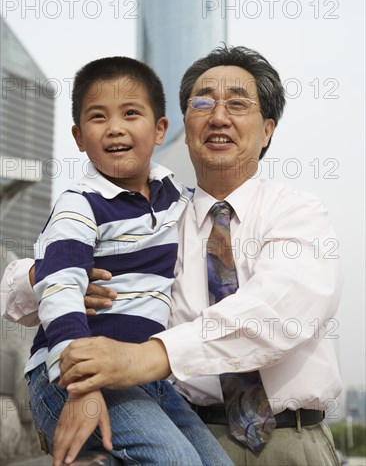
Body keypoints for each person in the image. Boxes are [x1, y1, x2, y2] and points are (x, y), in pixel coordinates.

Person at [1, 46, 342, 466]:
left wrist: (148, 356)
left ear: (267, 129)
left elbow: (280, 310)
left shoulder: (297, 213)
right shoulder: (158, 216)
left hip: (290, 443)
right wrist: (48, 274)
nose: (219, 117)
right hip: (170, 425)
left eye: (237, 103)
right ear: (181, 123)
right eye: (202, 103)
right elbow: (26, 277)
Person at [11, 55, 233, 466]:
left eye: (131, 113)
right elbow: (58, 288)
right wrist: (81, 385)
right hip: (71, 372)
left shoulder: (176, 199)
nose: (115, 127)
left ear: (160, 128)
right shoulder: (80, 206)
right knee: (174, 460)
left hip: (144, 376)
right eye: (98, 117)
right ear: (79, 137)